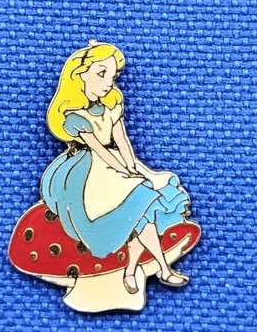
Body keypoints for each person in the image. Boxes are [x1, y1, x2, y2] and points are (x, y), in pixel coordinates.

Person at [41, 41, 191, 294]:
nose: (108, 82)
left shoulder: (113, 103)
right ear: (80, 75)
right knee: (141, 212)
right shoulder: (74, 116)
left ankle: (138, 270)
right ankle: (157, 270)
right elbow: (99, 150)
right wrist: (124, 172)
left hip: (119, 162)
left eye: (112, 76)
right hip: (89, 172)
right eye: (101, 73)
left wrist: (133, 167)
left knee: (143, 213)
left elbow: (122, 140)